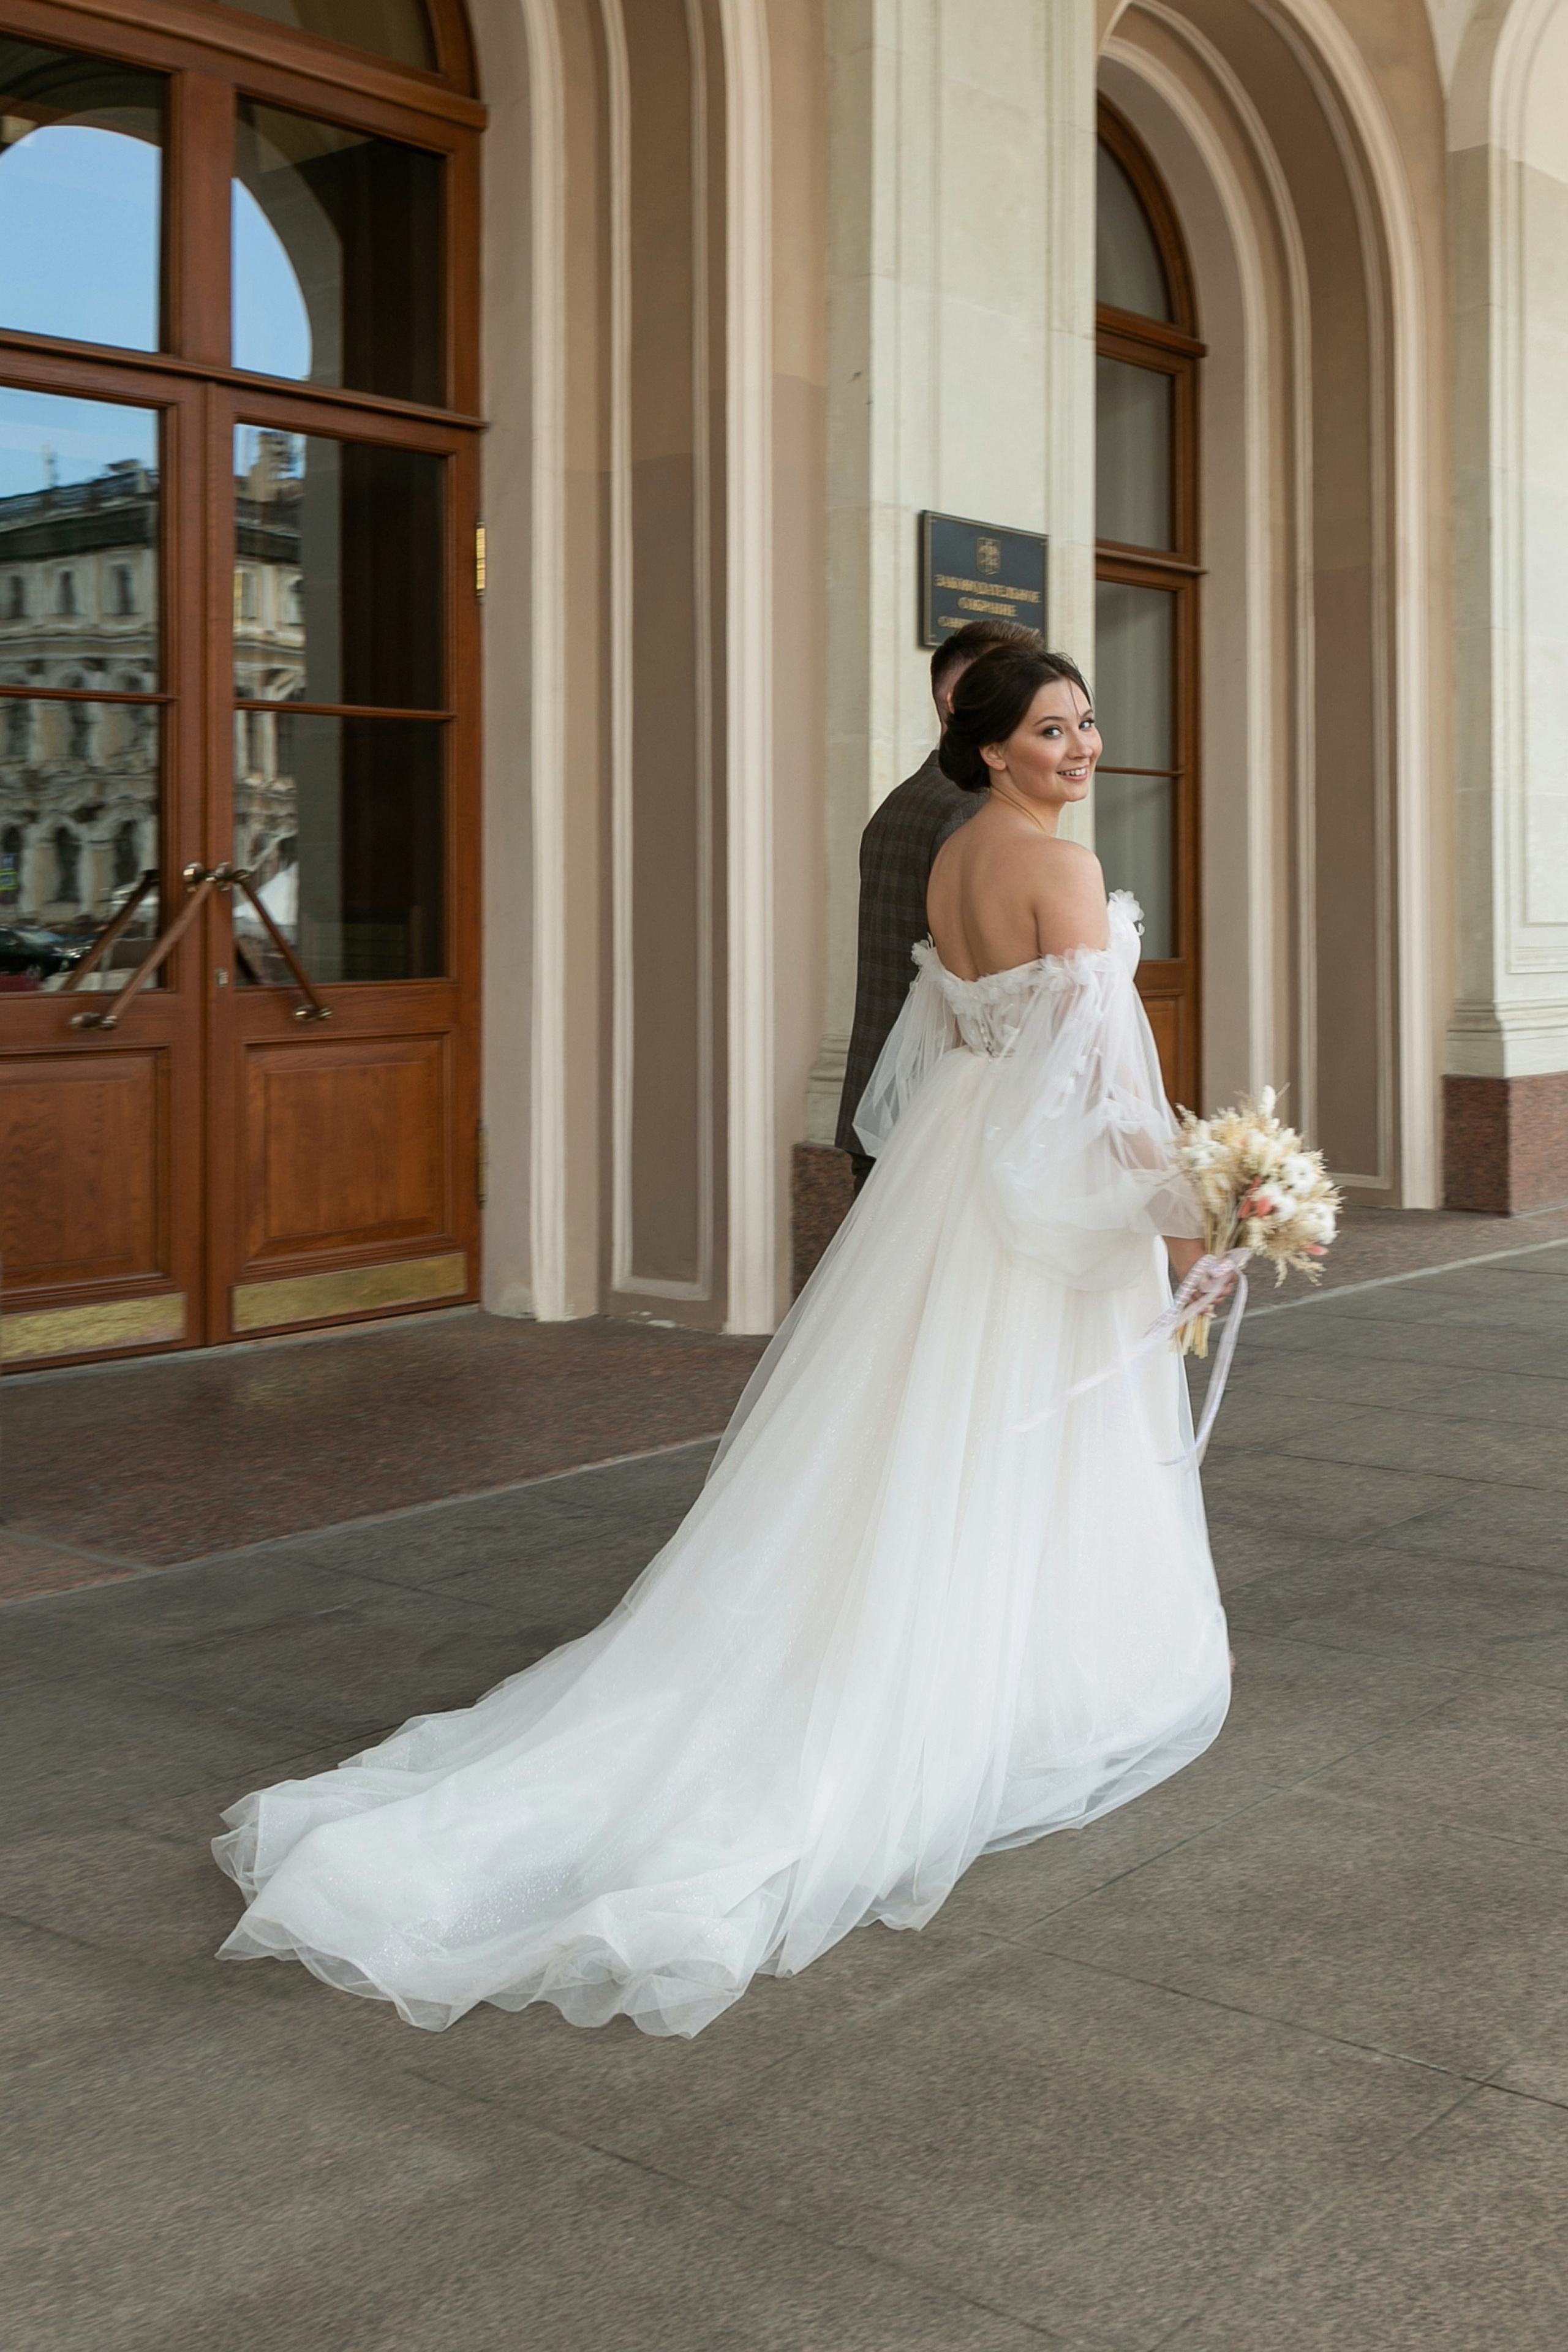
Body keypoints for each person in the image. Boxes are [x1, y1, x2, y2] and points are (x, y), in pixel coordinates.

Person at [213, 643, 1232, 2042]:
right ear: (992, 746)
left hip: (949, 1177)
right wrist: (1188, 1219)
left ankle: (966, 1662)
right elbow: (1104, 1084)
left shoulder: (954, 857)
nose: (1083, 746)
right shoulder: (1057, 866)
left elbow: (947, 1048)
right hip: (1028, 1190)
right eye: (1052, 729)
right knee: (1024, 1428)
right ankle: (1018, 1691)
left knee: (915, 1430)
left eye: (1085, 722)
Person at [837, 617, 1044, 1191]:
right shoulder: (974, 813)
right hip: (942, 1115)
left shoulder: (903, 800)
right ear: (958, 703)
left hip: (884, 1102)